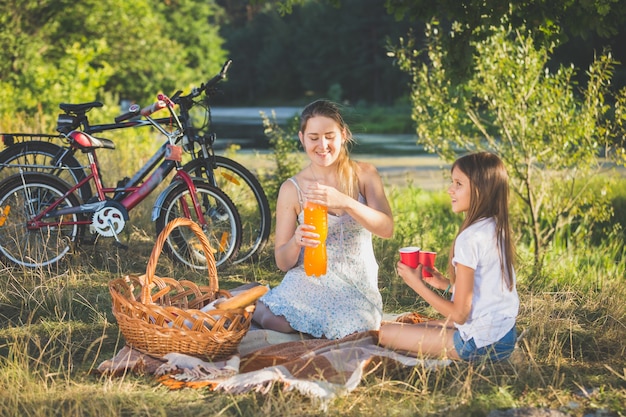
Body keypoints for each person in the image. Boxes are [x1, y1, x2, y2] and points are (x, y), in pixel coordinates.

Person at [253, 99, 394, 340]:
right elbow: (282, 262)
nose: (323, 145)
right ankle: (252, 300)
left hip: (355, 282)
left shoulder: (364, 175)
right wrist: (297, 241)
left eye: (330, 136)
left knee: (358, 328)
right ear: (302, 138)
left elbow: (386, 228)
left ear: (343, 134)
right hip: (310, 280)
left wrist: (346, 202)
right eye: (314, 137)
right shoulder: (292, 188)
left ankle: (261, 296)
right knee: (280, 323)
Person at [378, 152, 519, 362]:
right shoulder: (496, 227)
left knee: (382, 334)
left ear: (481, 190)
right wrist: (445, 284)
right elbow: (487, 293)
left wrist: (416, 284)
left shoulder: (469, 238)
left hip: (477, 345)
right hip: (504, 337)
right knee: (408, 326)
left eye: (458, 183)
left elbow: (460, 315)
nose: (449, 189)